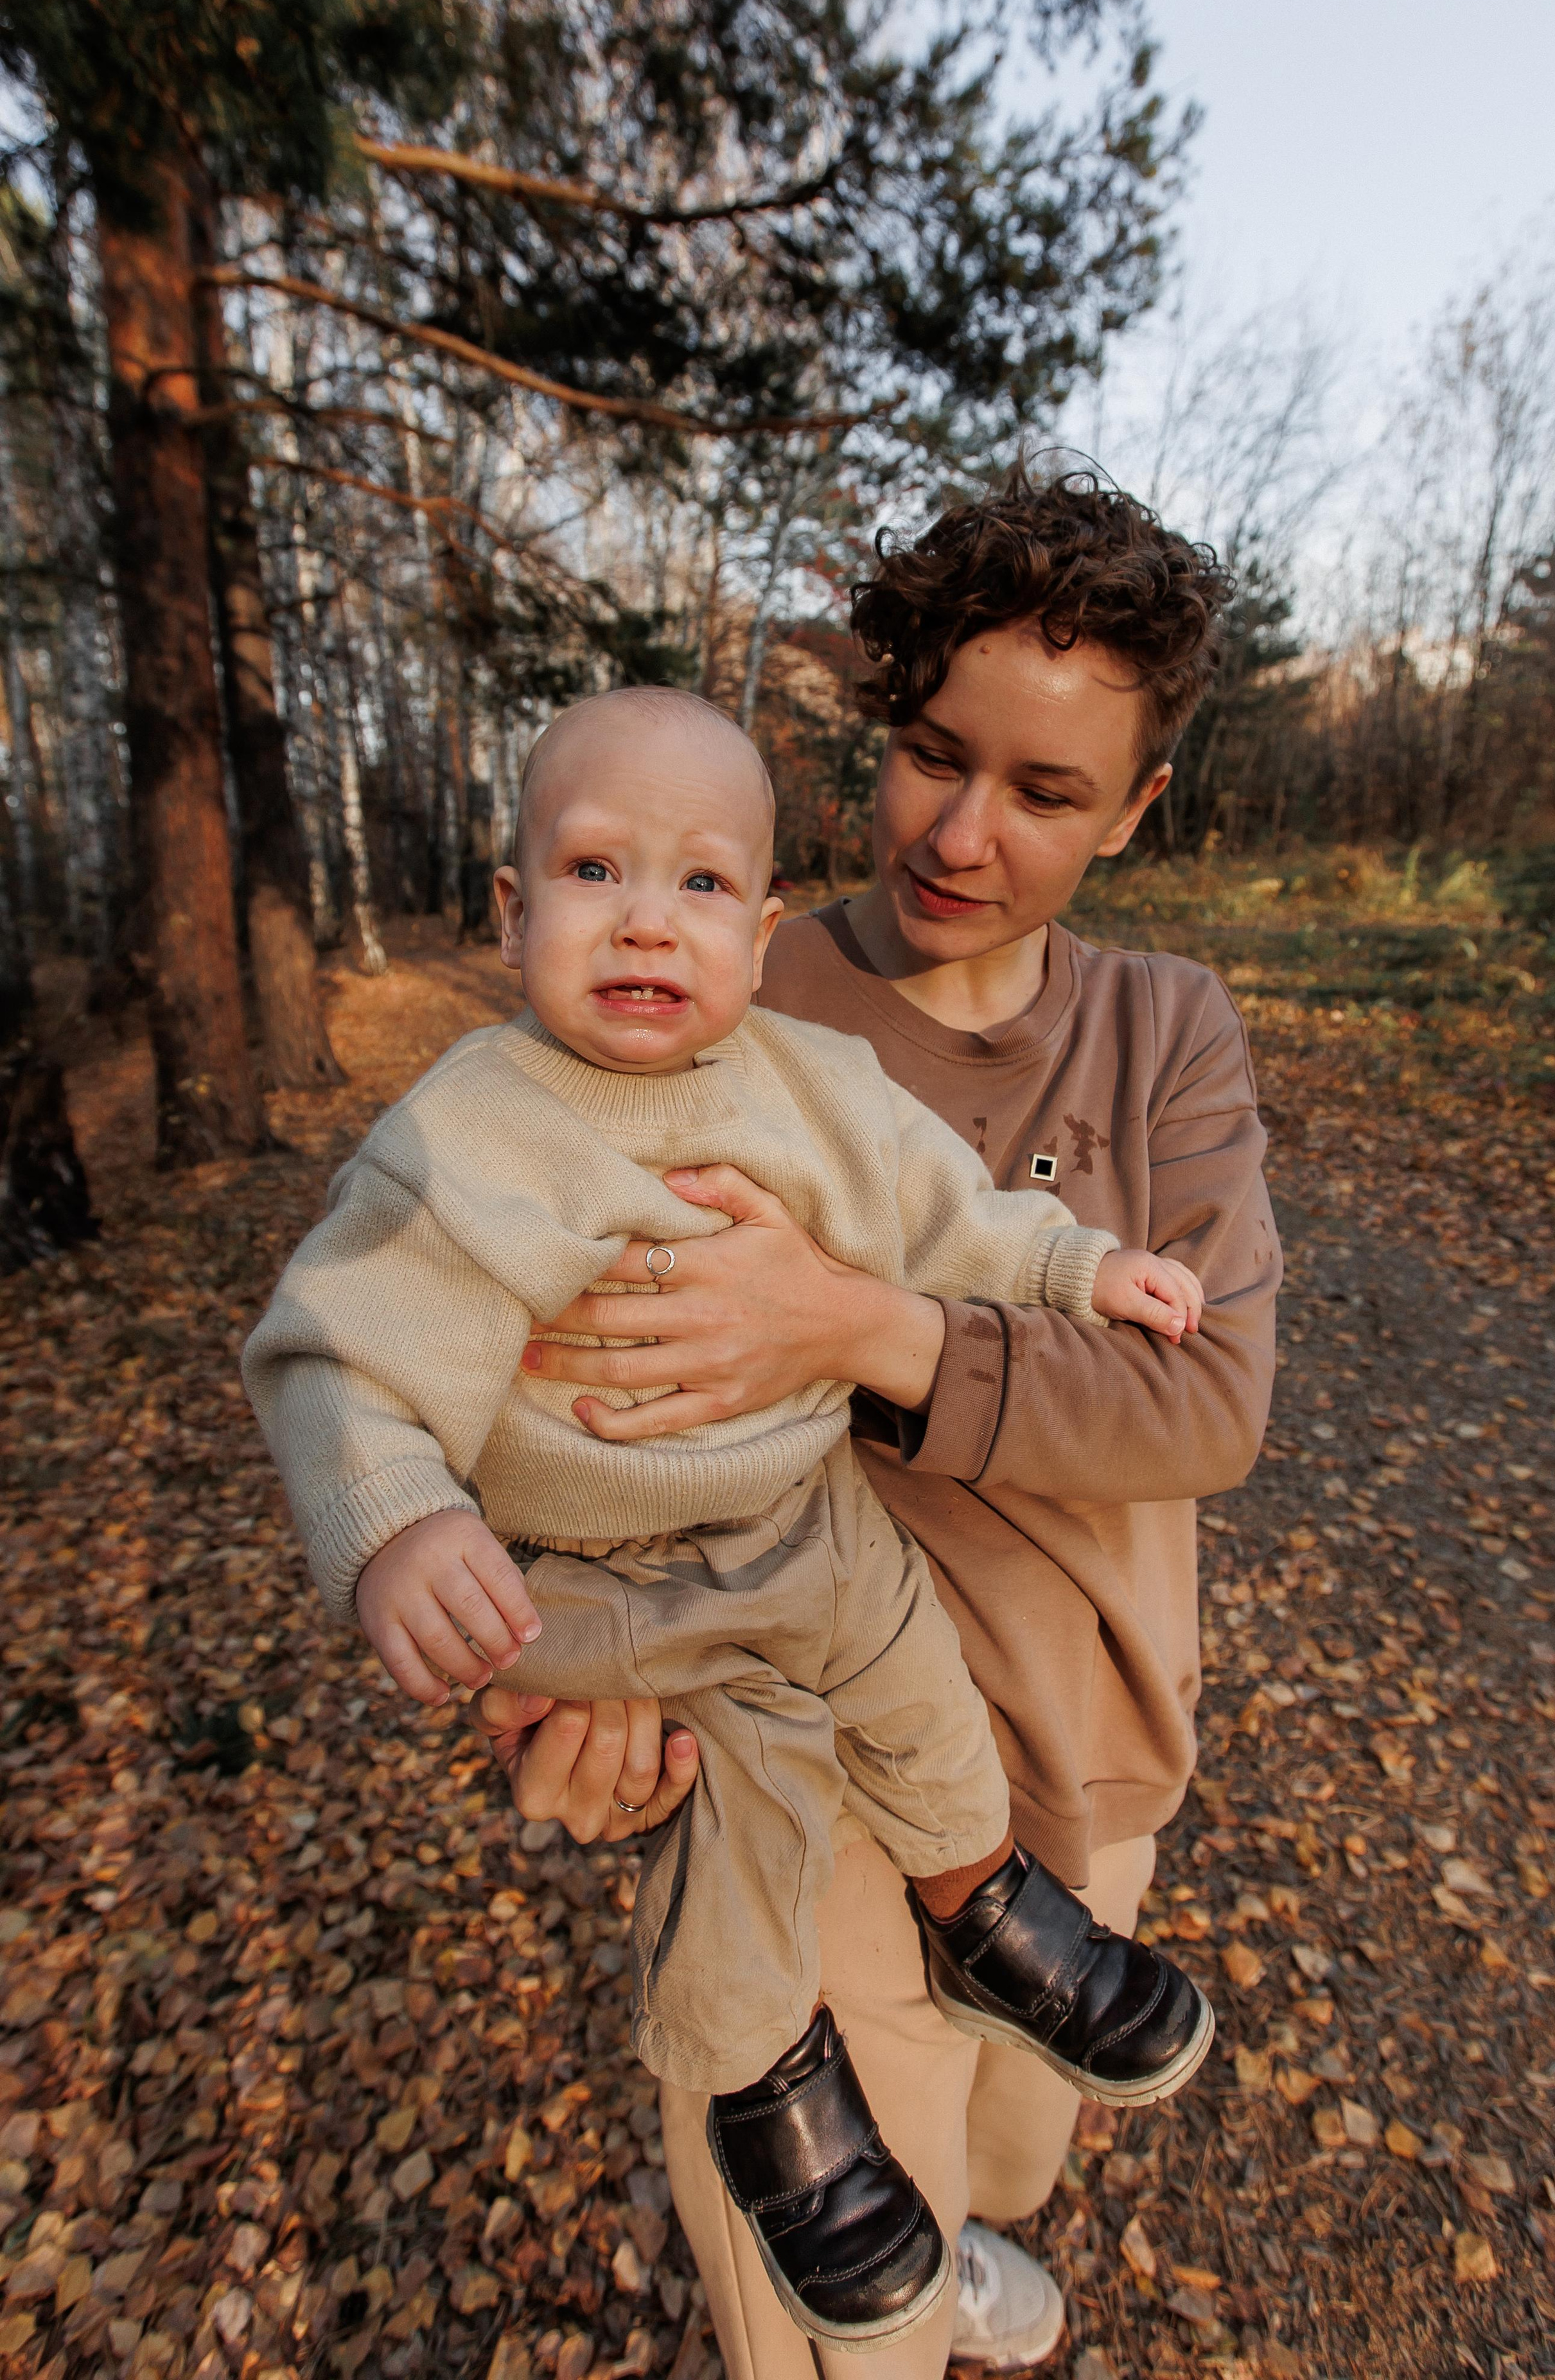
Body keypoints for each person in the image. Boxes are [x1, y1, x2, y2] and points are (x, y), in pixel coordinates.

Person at [242, 684, 1215, 2357]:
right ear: (512, 908)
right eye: (596, 870)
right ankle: (770, 2089)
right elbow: (338, 1350)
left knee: (921, 1691)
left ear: (759, 935)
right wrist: (397, 1523)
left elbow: (949, 1213)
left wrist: (1078, 1266)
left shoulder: (811, 1080)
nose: (646, 918)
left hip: (810, 1515)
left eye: (700, 886)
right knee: (751, 1811)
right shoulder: (473, 1132)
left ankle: (984, 1908)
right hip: (615, 1577)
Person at [479, 465, 1281, 2377]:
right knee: (844, 2323)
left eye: (1048, 791)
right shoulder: (718, 983)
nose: (967, 833)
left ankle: (978, 2248)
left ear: (1140, 808)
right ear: (883, 724)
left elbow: (1212, 1399)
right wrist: (549, 1652)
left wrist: (860, 1325)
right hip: (796, 1766)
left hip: (1083, 1777)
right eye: (934, 754)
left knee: (1015, 2146)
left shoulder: (1164, 1032)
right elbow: (533, 1342)